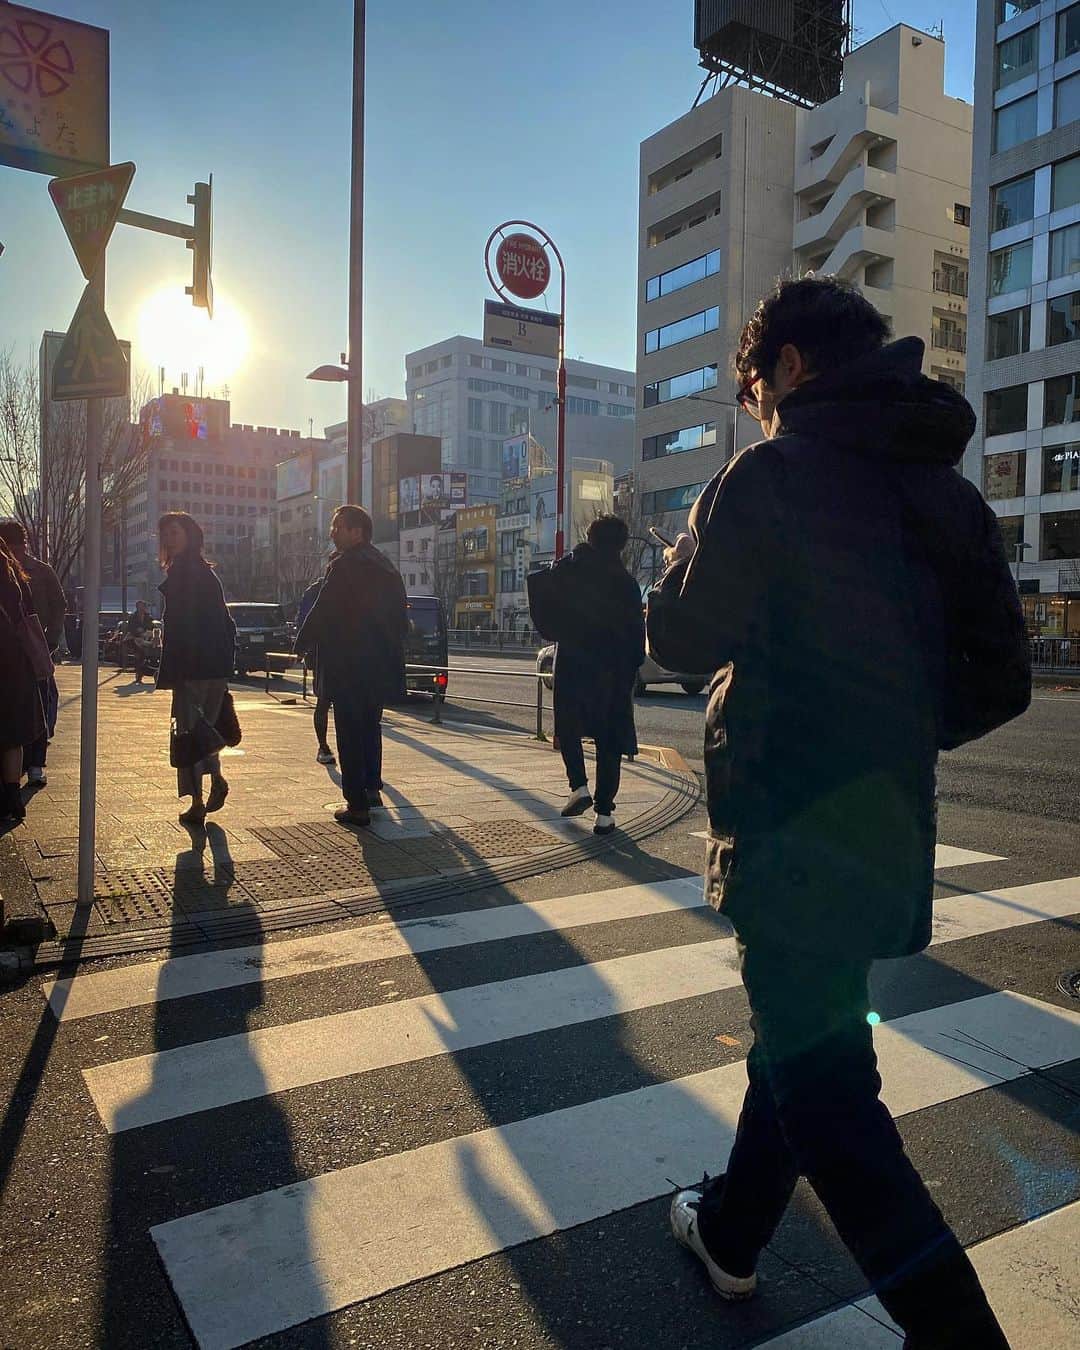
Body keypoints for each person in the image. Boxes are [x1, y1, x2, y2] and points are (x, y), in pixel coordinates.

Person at [647, 277, 1028, 1348]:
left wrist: (678, 563)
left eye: (754, 390)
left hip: (785, 828)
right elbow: (1002, 679)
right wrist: (898, 729)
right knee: (803, 1042)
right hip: (887, 829)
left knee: (832, 1106)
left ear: (790, 366)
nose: (757, 410)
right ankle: (731, 1233)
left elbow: (681, 640)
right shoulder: (947, 494)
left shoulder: (770, 476)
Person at [527, 514, 644, 836]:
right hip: (614, 669)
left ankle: (578, 785)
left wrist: (572, 558)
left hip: (575, 661)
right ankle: (604, 814)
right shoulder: (627, 583)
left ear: (590, 539)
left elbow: (543, 588)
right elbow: (637, 631)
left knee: (568, 726)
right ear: (621, 545)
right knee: (610, 740)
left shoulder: (571, 571)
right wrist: (632, 666)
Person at [295, 505, 407, 828]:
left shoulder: (345, 566)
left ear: (356, 531)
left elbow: (323, 610)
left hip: (347, 662)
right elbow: (401, 618)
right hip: (377, 664)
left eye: (338, 527)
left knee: (348, 731)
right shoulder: (386, 566)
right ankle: (372, 788)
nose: (332, 533)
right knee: (371, 726)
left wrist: (301, 644)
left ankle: (356, 805)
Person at [156, 512, 237, 826]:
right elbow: (226, 623)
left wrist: (174, 669)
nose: (170, 539)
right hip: (213, 666)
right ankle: (211, 785)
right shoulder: (204, 572)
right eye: (166, 534)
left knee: (190, 732)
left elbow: (181, 628)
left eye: (175, 533)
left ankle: (201, 799)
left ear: (190, 535)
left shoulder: (184, 572)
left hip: (193, 667)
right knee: (205, 729)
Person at [0, 519, 65, 788]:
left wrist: (50, 640)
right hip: (12, 652)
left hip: (34, 648)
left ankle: (36, 762)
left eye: (18, 546)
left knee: (41, 705)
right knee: (22, 711)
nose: (16, 552)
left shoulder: (41, 571)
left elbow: (59, 605)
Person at [0, 534, 47, 821]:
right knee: (12, 734)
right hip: (15, 661)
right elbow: (31, 614)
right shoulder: (14, 575)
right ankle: (14, 797)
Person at [297, 562, 337, 765]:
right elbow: (306, 621)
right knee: (324, 699)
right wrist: (304, 648)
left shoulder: (315, 591)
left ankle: (325, 746)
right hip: (323, 652)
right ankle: (323, 745)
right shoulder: (315, 592)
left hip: (328, 652)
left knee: (325, 699)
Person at [125, 599, 155, 684]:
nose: (142, 608)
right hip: (135, 639)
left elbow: (152, 626)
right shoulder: (132, 617)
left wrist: (146, 631)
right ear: (137, 607)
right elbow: (130, 628)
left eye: (143, 606)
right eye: (140, 606)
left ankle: (144, 673)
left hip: (146, 639)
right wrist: (137, 631)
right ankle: (139, 676)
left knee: (148, 655)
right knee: (140, 655)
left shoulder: (148, 617)